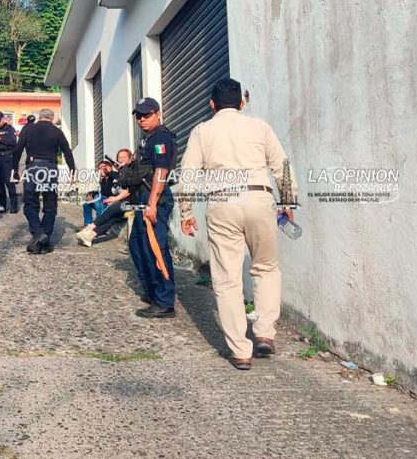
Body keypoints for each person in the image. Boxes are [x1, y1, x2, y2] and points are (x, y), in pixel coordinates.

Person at [178, 78, 296, 371]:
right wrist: (288, 203)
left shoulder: (202, 131)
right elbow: (282, 165)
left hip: (222, 204)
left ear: (212, 104)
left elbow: (189, 173)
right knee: (266, 267)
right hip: (259, 199)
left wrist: (185, 211)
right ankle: (265, 332)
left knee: (227, 278)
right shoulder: (259, 127)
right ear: (242, 103)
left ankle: (240, 351)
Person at [125, 98, 177, 319]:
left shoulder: (161, 137)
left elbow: (161, 172)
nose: (142, 120)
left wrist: (153, 203)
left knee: (155, 248)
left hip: (154, 198)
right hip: (142, 197)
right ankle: (152, 291)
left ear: (158, 113)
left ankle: (164, 302)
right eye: (139, 116)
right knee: (137, 245)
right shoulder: (148, 139)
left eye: (147, 115)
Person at [13, 108, 76, 254]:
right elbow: (67, 151)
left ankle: (38, 233)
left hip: (33, 168)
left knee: (30, 204)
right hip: (50, 168)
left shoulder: (28, 129)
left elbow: (17, 150)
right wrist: (72, 171)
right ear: (52, 118)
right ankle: (44, 237)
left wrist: (15, 170)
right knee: (50, 205)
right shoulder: (57, 131)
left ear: (39, 117)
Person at [76, 148, 132, 247]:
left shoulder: (128, 172)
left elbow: (128, 190)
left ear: (130, 159)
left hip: (137, 204)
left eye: (124, 157)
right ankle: (89, 235)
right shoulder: (120, 174)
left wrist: (115, 199)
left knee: (114, 208)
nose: (121, 159)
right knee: (113, 217)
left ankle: (89, 229)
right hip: (125, 203)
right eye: (119, 158)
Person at [0, 111, 18, 213]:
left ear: (3, 119)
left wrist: (0, 138)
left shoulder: (9, 129)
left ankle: (14, 205)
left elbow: (13, 142)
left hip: (7, 158)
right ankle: (2, 205)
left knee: (9, 182)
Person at [82, 160, 115, 225]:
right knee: (86, 202)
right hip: (103, 203)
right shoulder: (102, 181)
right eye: (100, 168)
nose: (102, 169)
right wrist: (91, 194)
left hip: (113, 203)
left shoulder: (114, 177)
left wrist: (110, 172)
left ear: (109, 168)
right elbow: (101, 192)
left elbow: (109, 193)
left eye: (104, 167)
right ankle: (87, 223)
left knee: (98, 198)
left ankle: (100, 224)